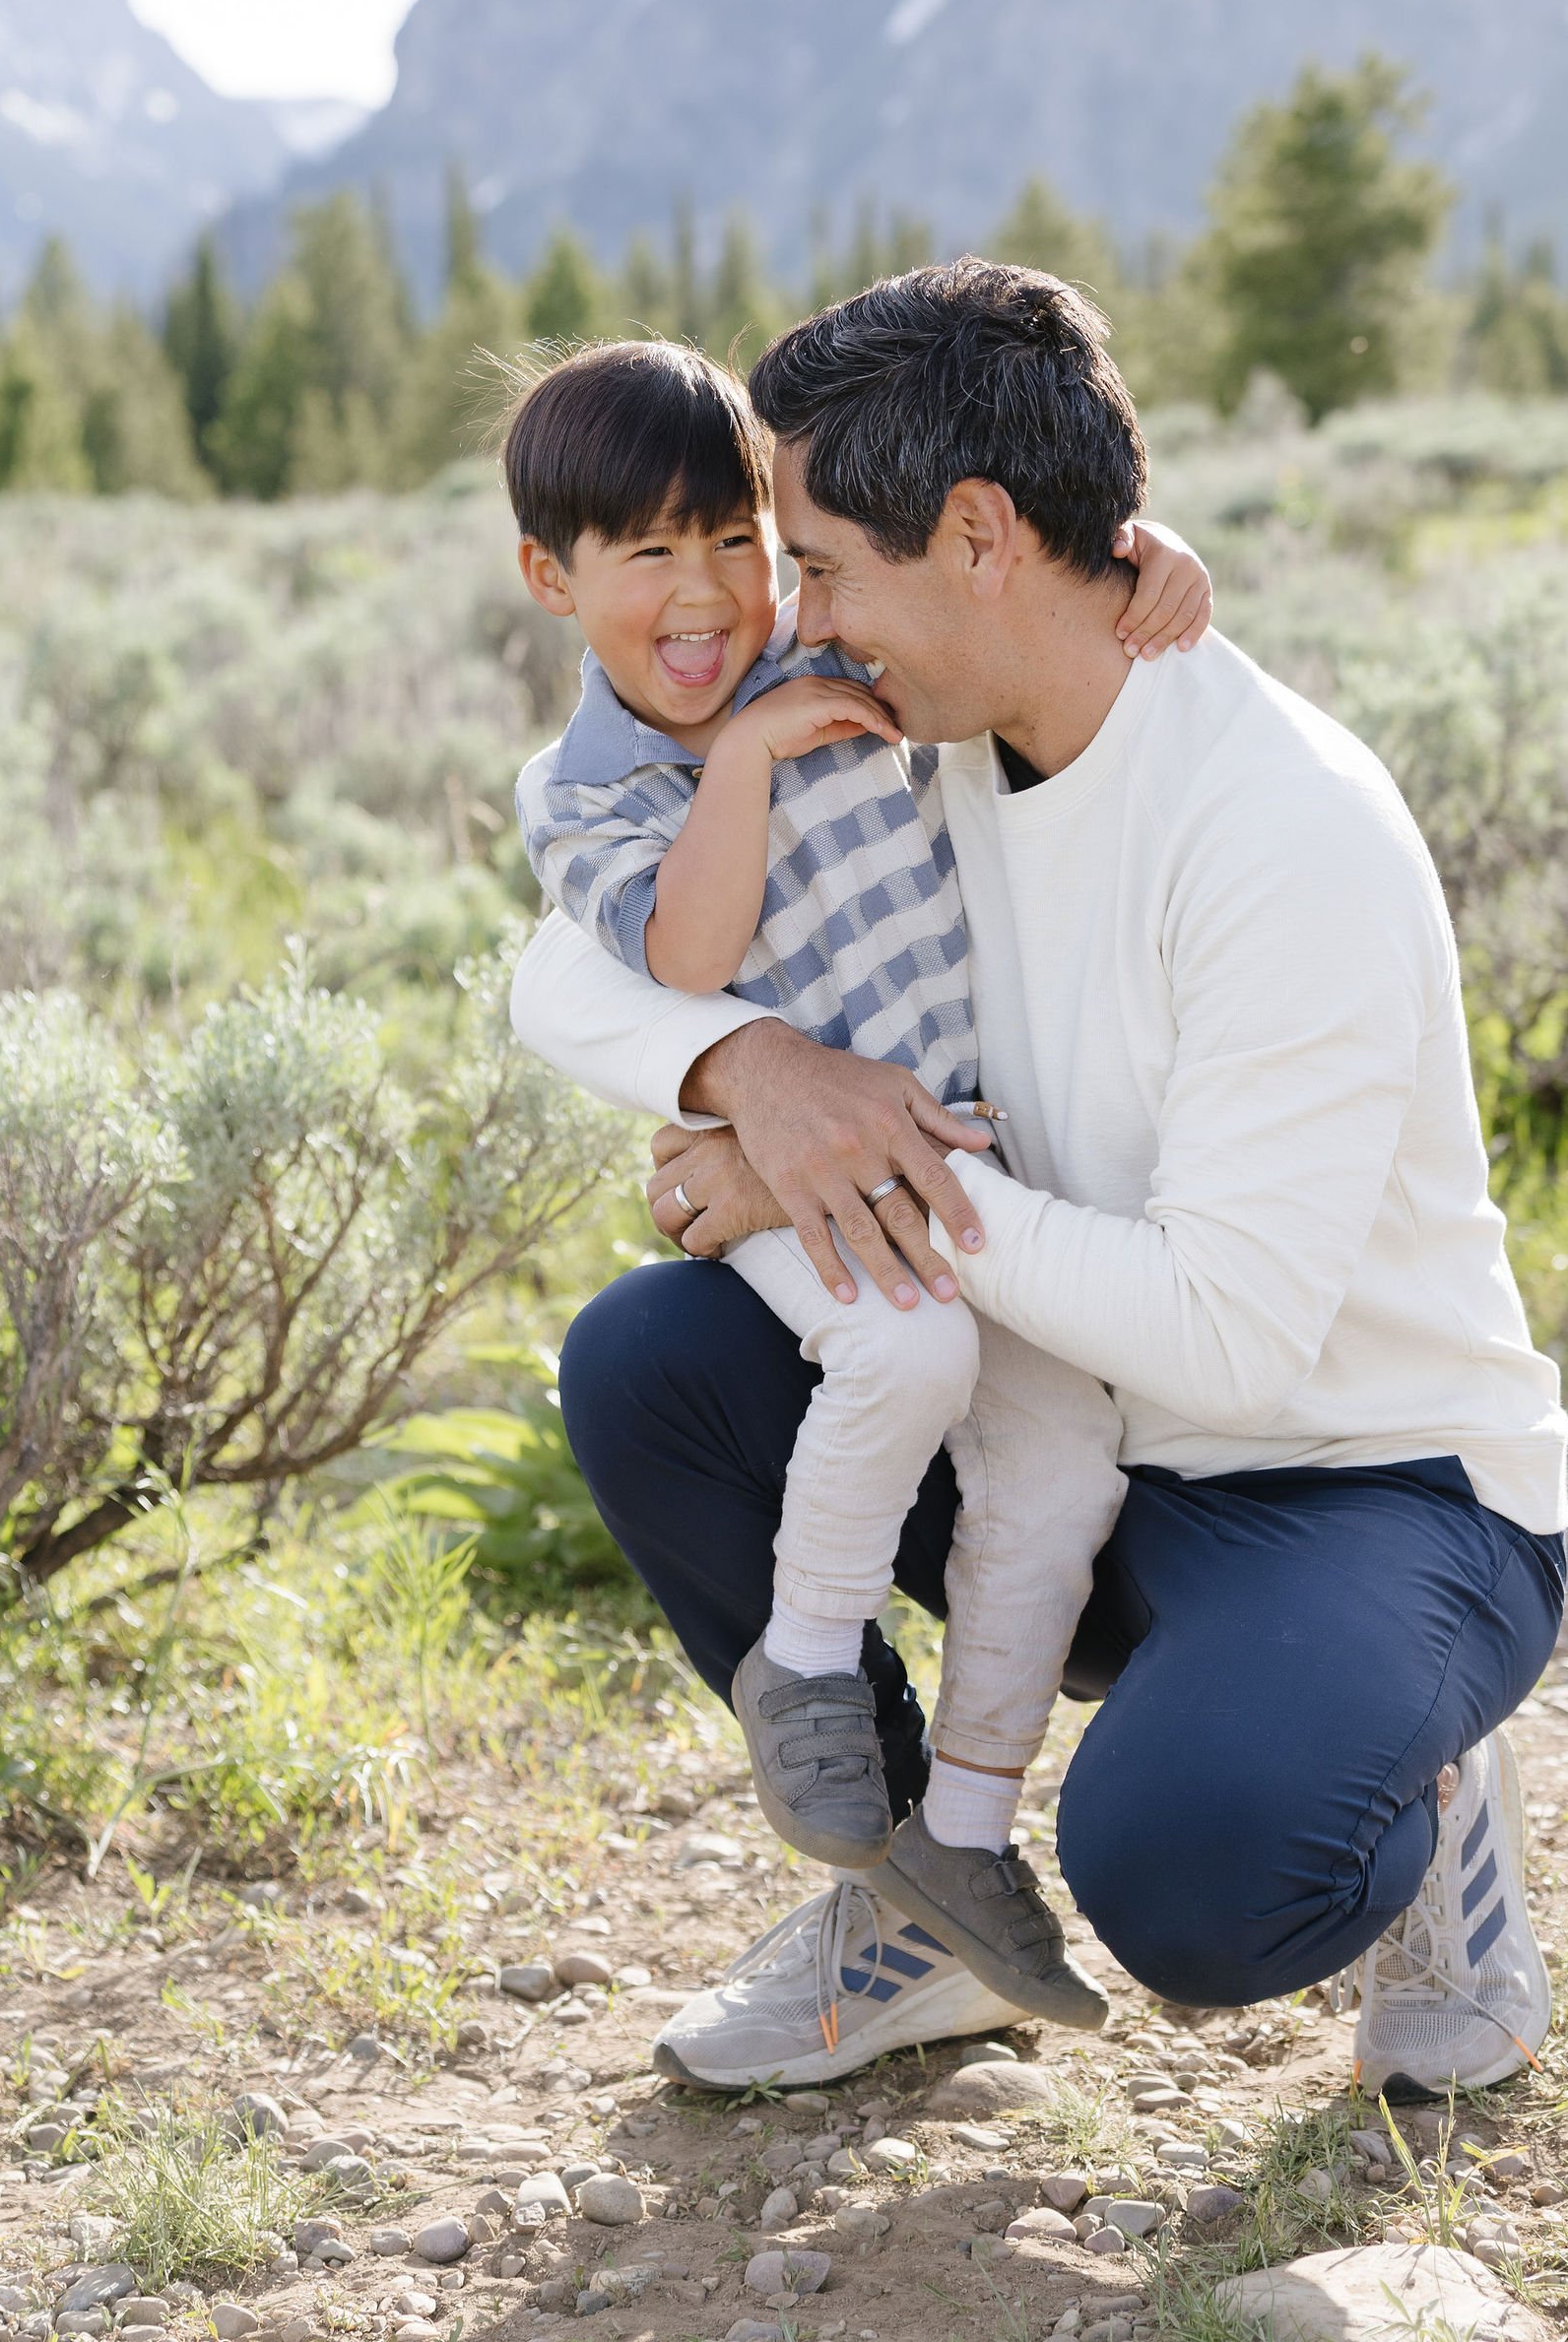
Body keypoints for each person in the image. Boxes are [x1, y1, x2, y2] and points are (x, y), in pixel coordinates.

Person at [510, 258, 1568, 2097]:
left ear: (983, 536)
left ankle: (1427, 1775)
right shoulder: (936, 741)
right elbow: (557, 964)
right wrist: (755, 1073)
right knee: (649, 1366)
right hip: (1083, 1432)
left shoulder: (1275, 827)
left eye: (819, 567)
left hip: (1364, 1487)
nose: (797, 623)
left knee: (1196, 1871)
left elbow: (1231, 1346)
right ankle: (927, 1903)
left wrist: (862, 1167)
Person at [502, 334, 1211, 2024]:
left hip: (980, 1165)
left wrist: (1141, 563)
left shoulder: (833, 653)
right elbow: (682, 950)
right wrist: (741, 763)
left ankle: (959, 1844)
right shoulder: (593, 784)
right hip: (818, 1203)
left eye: (735, 541)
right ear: (551, 578)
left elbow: (1006, 623)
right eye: (647, 554)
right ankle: (809, 1664)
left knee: (1058, 1469)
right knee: (909, 1355)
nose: (707, 595)